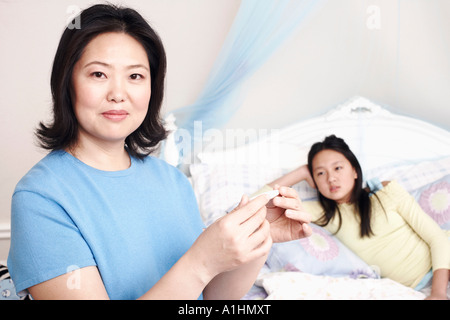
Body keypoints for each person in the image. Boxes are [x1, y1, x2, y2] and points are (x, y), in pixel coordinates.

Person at [7, 4, 312, 300]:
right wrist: (200, 260)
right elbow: (197, 269)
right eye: (99, 74)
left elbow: (211, 297)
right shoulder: (40, 198)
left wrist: (259, 238)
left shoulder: (172, 181)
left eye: (135, 76)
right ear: (67, 83)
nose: (118, 94)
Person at [256, 135, 450, 300]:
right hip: (413, 289)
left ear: (355, 171)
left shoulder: (385, 191)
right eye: (320, 173)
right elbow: (257, 205)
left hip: (443, 267)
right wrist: (300, 172)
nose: (331, 178)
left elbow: (437, 238)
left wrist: (439, 293)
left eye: (337, 168)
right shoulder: (322, 214)